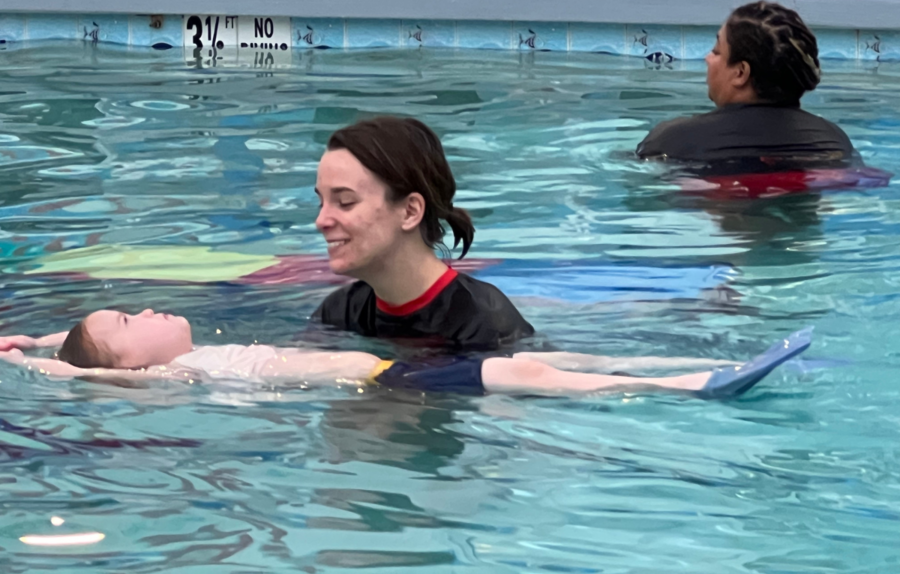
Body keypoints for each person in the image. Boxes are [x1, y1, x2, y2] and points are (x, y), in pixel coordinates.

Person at [0, 309, 811, 400]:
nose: (147, 306)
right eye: (128, 317)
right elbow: (81, 368)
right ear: (131, 364)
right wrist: (35, 360)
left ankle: (677, 374)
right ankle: (693, 384)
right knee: (533, 373)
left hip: (397, 377)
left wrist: (35, 333)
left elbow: (71, 347)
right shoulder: (172, 376)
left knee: (551, 362)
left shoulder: (200, 353)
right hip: (394, 384)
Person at [311, 116, 534, 349]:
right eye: (321, 203)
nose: (321, 221)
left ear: (410, 211)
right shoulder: (339, 313)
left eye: (345, 202)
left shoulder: (486, 323)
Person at [637, 1, 856, 176]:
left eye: (716, 51)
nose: (707, 58)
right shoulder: (834, 140)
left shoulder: (673, 140)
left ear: (740, 73)